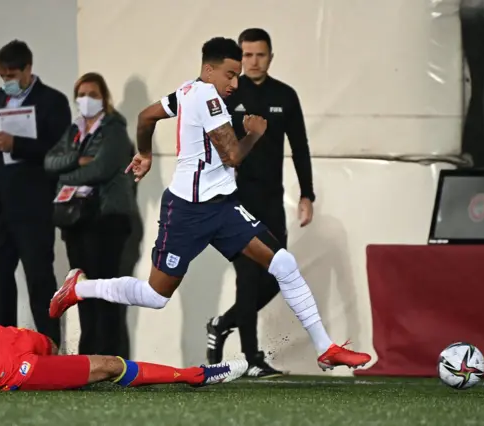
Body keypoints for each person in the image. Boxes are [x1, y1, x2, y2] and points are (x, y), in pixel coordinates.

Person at [49, 37, 371, 372]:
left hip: (223, 208)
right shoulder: (207, 96)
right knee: (156, 296)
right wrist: (255, 133)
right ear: (209, 70)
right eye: (230, 74)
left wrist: (144, 152)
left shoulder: (188, 90)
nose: (235, 82)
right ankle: (82, 287)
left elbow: (146, 117)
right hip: (186, 212)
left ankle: (325, 347)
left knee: (284, 263)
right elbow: (232, 156)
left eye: (237, 75)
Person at [0, 214, 247, 391]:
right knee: (108, 365)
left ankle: (68, 363)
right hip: (13, 371)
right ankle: (197, 375)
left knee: (49, 343)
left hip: (3, 339)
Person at [204, 28, 316, 377]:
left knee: (279, 274)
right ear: (240, 57)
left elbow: (300, 147)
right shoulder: (225, 95)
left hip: (270, 200)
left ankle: (223, 323)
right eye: (247, 55)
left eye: (260, 55)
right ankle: (250, 359)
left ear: (270, 56)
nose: (253, 62)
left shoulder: (285, 95)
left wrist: (307, 194)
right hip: (236, 201)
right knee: (248, 278)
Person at [0, 40, 71, 347]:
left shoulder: (52, 101)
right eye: (2, 76)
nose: (7, 83)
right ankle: (0, 350)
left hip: (34, 203)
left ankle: (49, 347)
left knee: (40, 279)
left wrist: (16, 144)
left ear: (28, 68)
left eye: (12, 75)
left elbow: (61, 152)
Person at [44, 72, 136, 358]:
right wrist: (74, 160)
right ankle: (89, 355)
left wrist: (65, 175)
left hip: (106, 219)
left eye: (93, 94)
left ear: (104, 97)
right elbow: (49, 161)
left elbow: (102, 169)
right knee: (82, 290)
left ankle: (110, 356)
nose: (87, 100)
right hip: (76, 220)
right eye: (82, 94)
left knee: (106, 291)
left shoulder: (114, 131)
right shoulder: (74, 130)